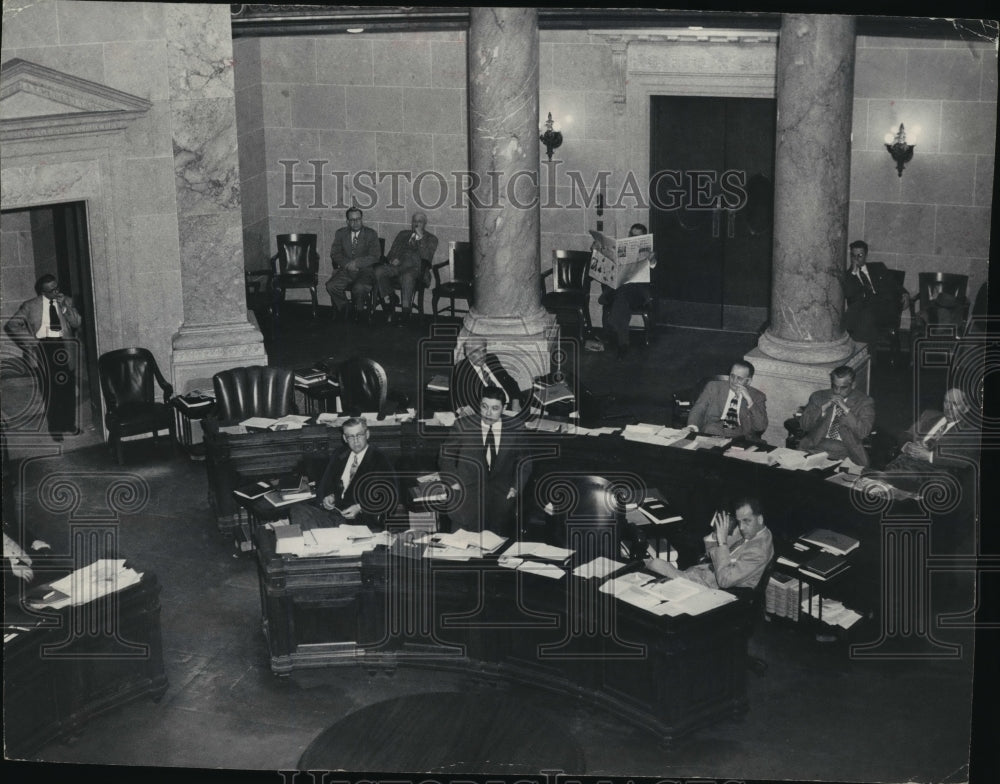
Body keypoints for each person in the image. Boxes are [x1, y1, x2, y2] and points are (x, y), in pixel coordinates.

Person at [439, 386, 532, 538]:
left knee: (494, 551)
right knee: (461, 550)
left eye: (495, 408)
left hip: (500, 501)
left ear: (504, 408)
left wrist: (516, 487)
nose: (488, 413)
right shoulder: (463, 425)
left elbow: (525, 462)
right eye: (484, 407)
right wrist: (453, 482)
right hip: (466, 499)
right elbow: (445, 456)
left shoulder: (516, 427)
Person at [5, 274, 82, 440]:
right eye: (52, 290)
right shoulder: (30, 306)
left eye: (57, 287)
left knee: (67, 387)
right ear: (43, 292)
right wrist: (31, 342)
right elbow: (11, 325)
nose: (57, 291)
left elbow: (76, 323)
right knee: (51, 389)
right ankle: (55, 428)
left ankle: (69, 424)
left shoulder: (66, 301)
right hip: (43, 347)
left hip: (64, 346)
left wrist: (65, 308)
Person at [644, 497, 773, 590]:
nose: (742, 527)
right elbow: (712, 555)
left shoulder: (759, 550)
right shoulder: (753, 532)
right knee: (651, 568)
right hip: (701, 575)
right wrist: (715, 535)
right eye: (739, 522)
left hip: (712, 588)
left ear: (760, 519)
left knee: (654, 566)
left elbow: (725, 581)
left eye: (747, 521)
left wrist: (722, 542)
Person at [313, 418, 397, 529]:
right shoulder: (339, 454)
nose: (356, 441)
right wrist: (328, 497)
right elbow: (325, 485)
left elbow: (390, 497)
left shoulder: (379, 459)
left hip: (360, 519)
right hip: (335, 513)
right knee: (298, 510)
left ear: (367, 434)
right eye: (351, 437)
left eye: (359, 435)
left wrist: (360, 507)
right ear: (344, 438)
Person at [599, 222, 658, 359]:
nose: (633, 238)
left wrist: (652, 258)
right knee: (622, 297)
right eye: (632, 235)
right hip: (621, 289)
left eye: (637, 236)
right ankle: (622, 345)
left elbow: (654, 267)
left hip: (638, 293)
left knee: (621, 296)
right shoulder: (621, 250)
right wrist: (597, 251)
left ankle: (621, 339)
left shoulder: (650, 254)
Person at [884, 388, 977, 473]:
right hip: (899, 464)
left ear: (966, 409)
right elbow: (906, 434)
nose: (948, 408)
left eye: (955, 404)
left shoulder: (970, 430)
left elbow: (965, 459)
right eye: (946, 402)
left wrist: (929, 456)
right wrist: (907, 445)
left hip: (927, 475)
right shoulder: (929, 416)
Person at [798, 365, 875, 466]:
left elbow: (863, 432)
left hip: (846, 452)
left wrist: (846, 409)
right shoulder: (818, 396)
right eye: (835, 386)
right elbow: (804, 425)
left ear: (853, 385)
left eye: (843, 388)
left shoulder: (864, 402)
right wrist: (823, 408)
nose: (838, 391)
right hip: (815, 448)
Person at [374, 211, 438, 326]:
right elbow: (391, 252)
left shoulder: (431, 238)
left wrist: (421, 238)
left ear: (425, 224)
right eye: (414, 221)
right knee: (378, 271)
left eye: (420, 221)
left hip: (416, 269)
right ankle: (392, 296)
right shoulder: (403, 234)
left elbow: (427, 257)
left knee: (407, 276)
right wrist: (393, 258)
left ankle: (405, 313)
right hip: (397, 266)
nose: (416, 224)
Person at [840, 240, 908, 344]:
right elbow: (849, 294)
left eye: (860, 255)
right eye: (853, 256)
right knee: (865, 318)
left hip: (884, 309)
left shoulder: (878, 267)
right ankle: (868, 355)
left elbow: (894, 284)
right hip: (864, 312)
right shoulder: (847, 276)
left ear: (866, 255)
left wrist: (905, 293)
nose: (856, 259)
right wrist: (853, 272)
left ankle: (861, 350)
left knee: (863, 318)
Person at [687, 360, 768, 439]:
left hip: (740, 436)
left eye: (739, 378)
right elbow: (699, 408)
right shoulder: (713, 387)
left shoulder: (757, 396)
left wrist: (749, 400)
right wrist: (692, 426)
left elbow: (760, 427)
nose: (734, 381)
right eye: (732, 376)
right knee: (710, 430)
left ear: (748, 381)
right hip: (712, 430)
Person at [326, 207, 382, 323]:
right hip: (346, 270)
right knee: (331, 286)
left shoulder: (371, 234)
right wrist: (347, 264)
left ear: (362, 219)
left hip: (365, 271)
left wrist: (356, 263)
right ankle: (345, 307)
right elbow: (335, 253)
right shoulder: (341, 233)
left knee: (359, 288)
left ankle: (360, 311)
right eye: (352, 220)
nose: (356, 222)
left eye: (358, 219)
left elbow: (375, 256)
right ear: (347, 221)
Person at [450, 338, 524, 415]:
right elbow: (465, 401)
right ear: (468, 353)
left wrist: (516, 401)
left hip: (513, 406)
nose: (482, 355)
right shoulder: (461, 371)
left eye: (483, 350)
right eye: (476, 351)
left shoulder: (491, 359)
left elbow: (511, 382)